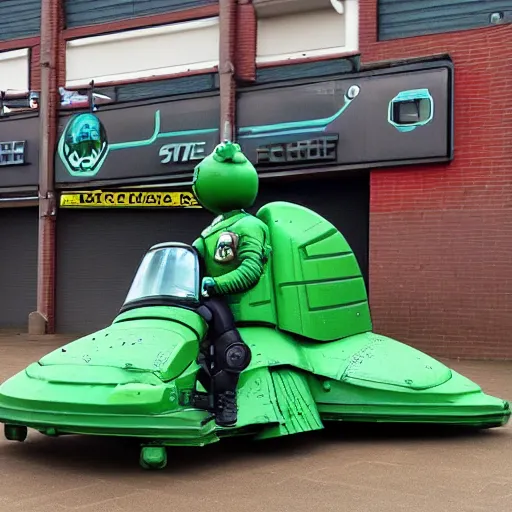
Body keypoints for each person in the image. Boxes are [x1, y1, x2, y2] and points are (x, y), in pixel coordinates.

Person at [191, 141, 271, 427]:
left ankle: (226, 400)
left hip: (234, 304)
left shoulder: (248, 226)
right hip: (205, 299)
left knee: (227, 341)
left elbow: (250, 271)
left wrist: (214, 284)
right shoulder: (211, 230)